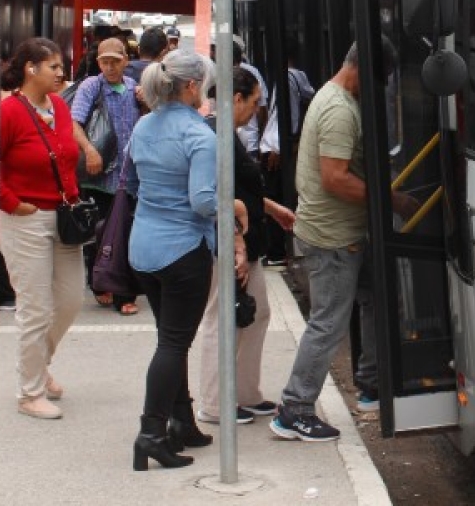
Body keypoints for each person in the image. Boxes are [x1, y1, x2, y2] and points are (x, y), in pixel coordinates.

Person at [270, 39, 418, 442]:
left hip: (347, 232)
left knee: (374, 297)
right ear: (363, 69)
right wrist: (393, 199)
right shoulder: (337, 109)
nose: (382, 87)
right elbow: (336, 178)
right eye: (381, 78)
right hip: (333, 238)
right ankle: (294, 410)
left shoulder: (334, 96)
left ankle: (371, 384)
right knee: (328, 324)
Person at [127, 49, 248, 471]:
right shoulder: (200, 137)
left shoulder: (143, 126)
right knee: (173, 343)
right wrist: (234, 206)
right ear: (193, 87)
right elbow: (201, 202)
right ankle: (151, 434)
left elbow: (133, 182)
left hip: (143, 248)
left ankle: (183, 423)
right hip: (182, 252)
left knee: (169, 339)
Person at [194, 67, 296, 426]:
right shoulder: (215, 136)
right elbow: (217, 195)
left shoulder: (227, 134)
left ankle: (244, 391)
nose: (256, 111)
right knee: (221, 319)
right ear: (236, 99)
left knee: (257, 313)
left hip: (244, 242)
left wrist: (270, 207)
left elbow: (240, 188)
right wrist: (234, 244)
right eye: (254, 103)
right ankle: (213, 401)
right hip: (229, 244)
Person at [0, 38, 84, 420]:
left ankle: (38, 365)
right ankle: (29, 392)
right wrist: (12, 202)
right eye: (53, 66)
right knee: (36, 308)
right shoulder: (9, 112)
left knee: (69, 300)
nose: (61, 73)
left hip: (63, 215)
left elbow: (66, 155)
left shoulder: (60, 107)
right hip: (25, 218)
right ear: (31, 68)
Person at [71, 36, 141, 315]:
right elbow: (75, 123)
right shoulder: (92, 86)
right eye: (105, 61)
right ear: (98, 62)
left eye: (115, 61)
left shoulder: (134, 87)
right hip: (100, 174)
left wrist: (146, 102)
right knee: (102, 230)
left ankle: (121, 290)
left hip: (130, 173)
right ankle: (104, 284)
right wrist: (89, 151)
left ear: (126, 60)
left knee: (124, 231)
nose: (110, 67)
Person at [259, 38, 315, 265]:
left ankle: (277, 251)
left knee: (273, 198)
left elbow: (286, 114)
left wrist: (281, 145)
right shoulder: (298, 77)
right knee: (279, 197)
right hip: (279, 144)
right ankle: (279, 248)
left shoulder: (287, 78)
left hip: (275, 146)